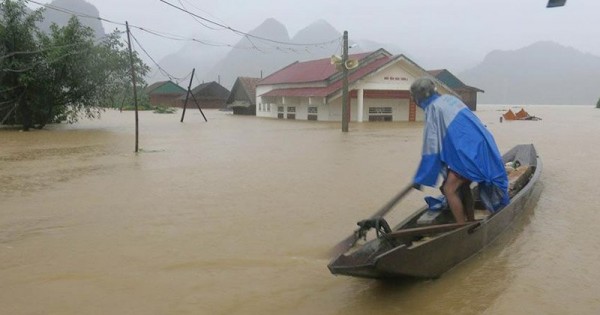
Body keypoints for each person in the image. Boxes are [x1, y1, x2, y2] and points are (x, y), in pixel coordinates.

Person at [410, 77, 509, 224]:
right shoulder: (449, 99)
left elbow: (431, 148)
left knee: (449, 189)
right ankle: (470, 220)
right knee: (463, 185)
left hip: (468, 153)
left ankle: (461, 227)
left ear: (418, 97)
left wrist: (421, 178)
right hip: (483, 144)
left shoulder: (433, 108)